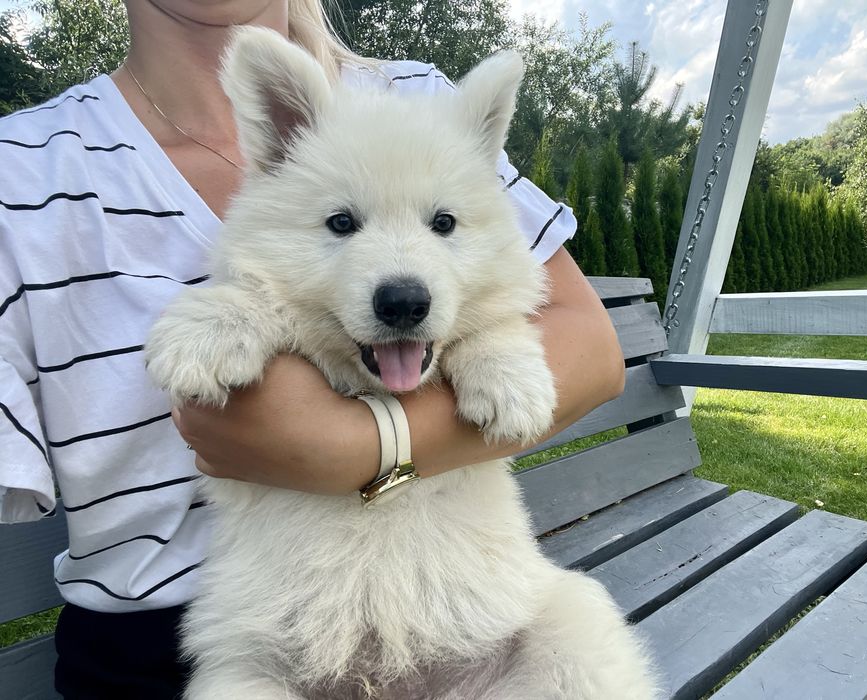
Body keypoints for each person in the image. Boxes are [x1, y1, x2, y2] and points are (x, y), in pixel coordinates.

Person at [0, 1, 626, 697]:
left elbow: (543, 314)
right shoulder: (20, 174)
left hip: (487, 642)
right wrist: (238, 309)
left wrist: (379, 436)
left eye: (440, 222)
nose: (401, 280)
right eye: (342, 222)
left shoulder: (417, 98)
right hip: (262, 653)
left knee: (576, 626)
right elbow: (257, 280)